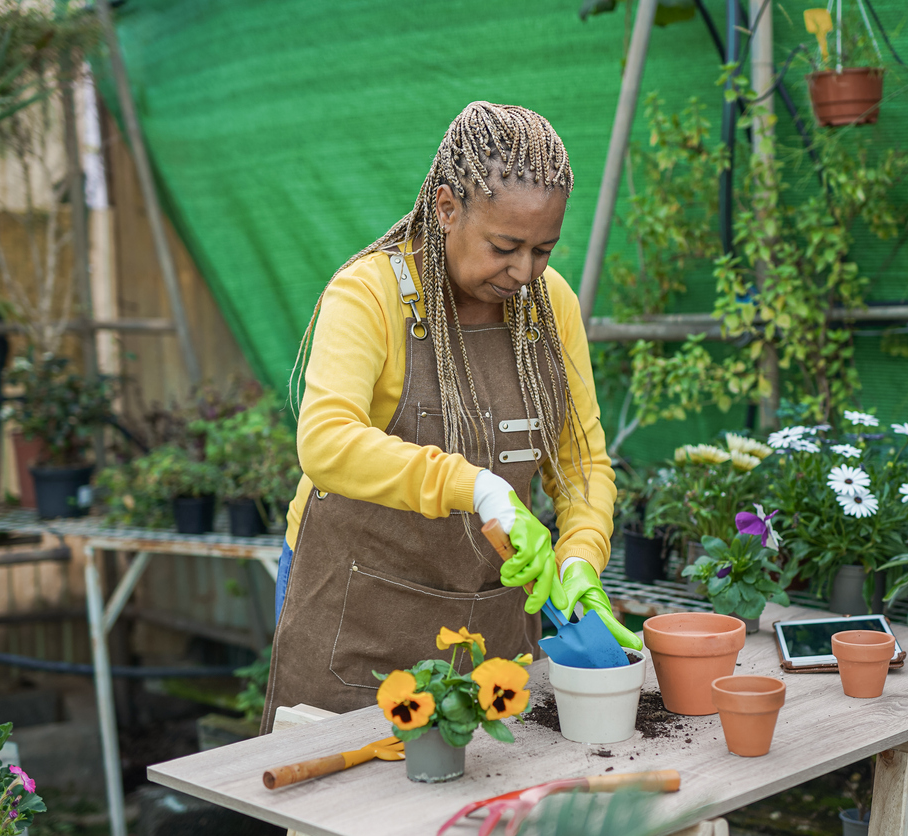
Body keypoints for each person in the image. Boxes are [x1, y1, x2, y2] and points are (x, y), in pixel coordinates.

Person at [261, 102, 639, 731]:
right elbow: (325, 442)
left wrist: (579, 557)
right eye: (505, 247)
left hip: (488, 613)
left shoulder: (552, 307)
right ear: (445, 208)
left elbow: (582, 462)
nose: (524, 271)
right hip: (358, 616)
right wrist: (477, 486)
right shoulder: (370, 293)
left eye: (543, 249)